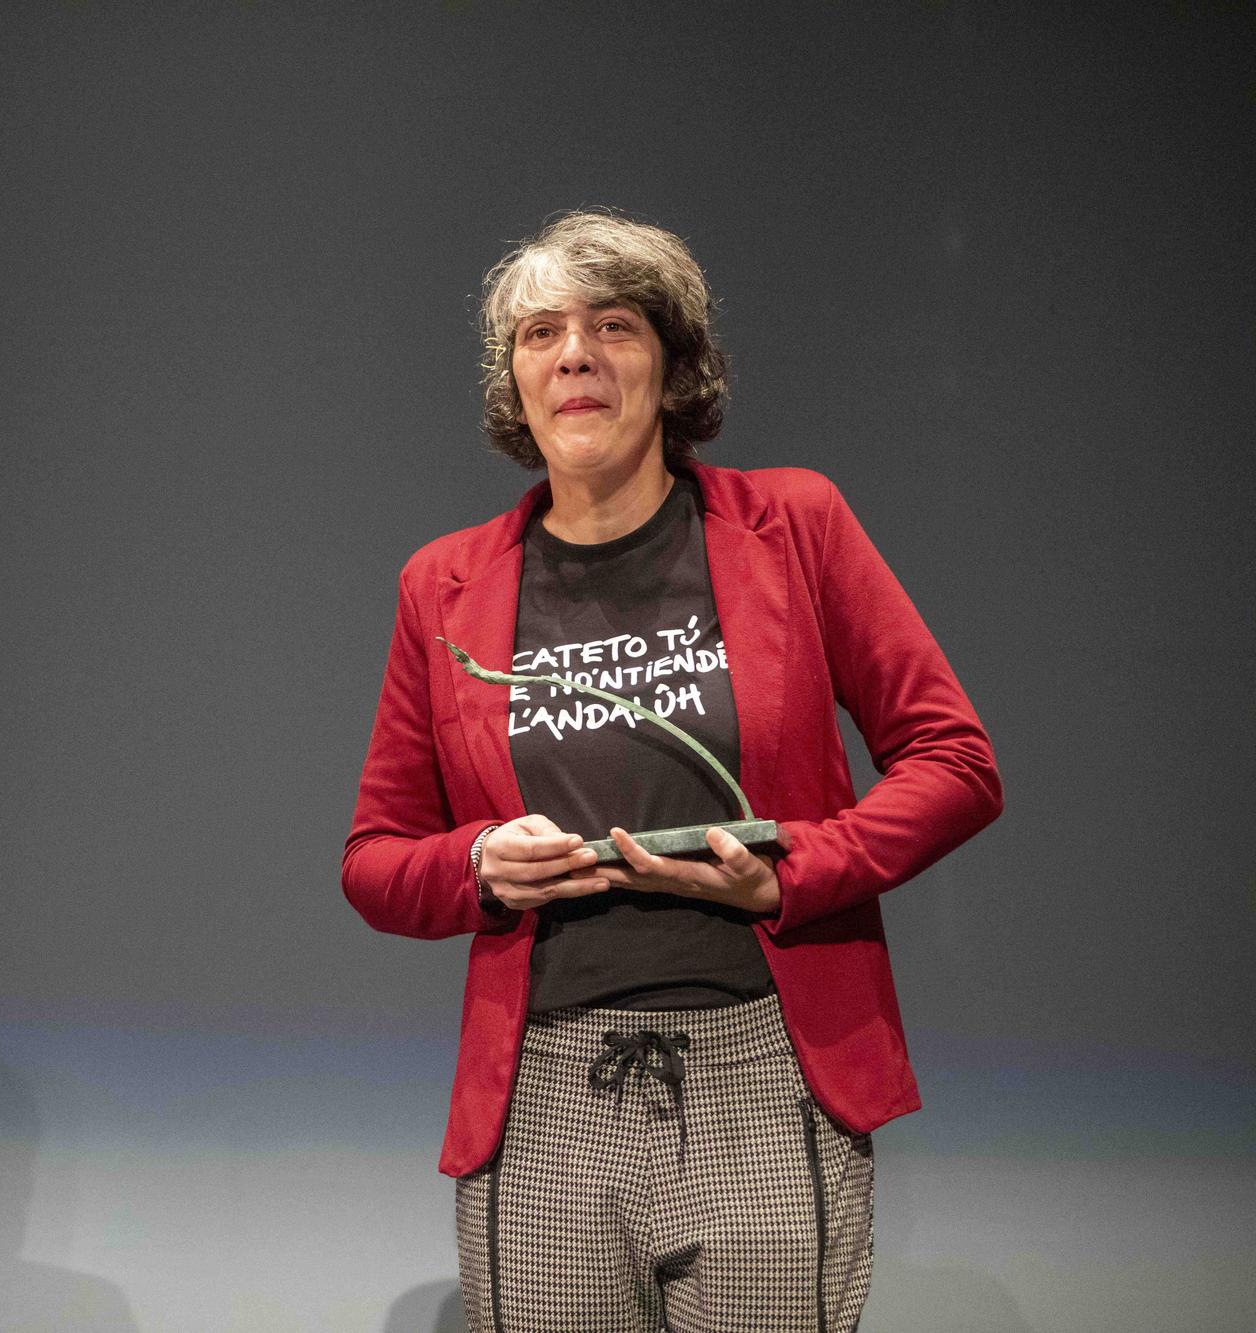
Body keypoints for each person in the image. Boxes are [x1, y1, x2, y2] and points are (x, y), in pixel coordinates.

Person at [341, 211, 1001, 1332]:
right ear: (514, 384)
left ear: (673, 362)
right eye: (539, 333)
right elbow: (374, 861)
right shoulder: (443, 585)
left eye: (612, 325)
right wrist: (479, 862)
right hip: (541, 1091)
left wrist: (793, 869)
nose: (574, 355)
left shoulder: (791, 525)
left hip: (764, 1062)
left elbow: (954, 760)